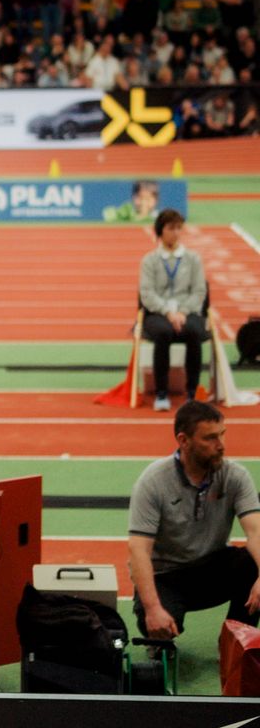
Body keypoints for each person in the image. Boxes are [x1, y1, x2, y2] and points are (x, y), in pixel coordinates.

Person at [127, 400, 260, 642]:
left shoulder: (235, 476)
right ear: (183, 440)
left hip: (211, 568)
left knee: (251, 563)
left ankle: (237, 643)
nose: (221, 446)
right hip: (166, 576)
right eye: (210, 438)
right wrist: (153, 608)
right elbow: (138, 549)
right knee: (159, 628)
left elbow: (255, 532)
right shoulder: (153, 482)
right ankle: (160, 638)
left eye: (222, 435)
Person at [139, 207, 208, 410]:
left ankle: (192, 392)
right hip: (158, 313)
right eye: (171, 228)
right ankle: (161, 393)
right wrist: (168, 313)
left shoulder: (193, 259)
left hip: (187, 312)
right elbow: (147, 294)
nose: (176, 232)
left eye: (179, 228)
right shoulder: (149, 260)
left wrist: (182, 312)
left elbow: (199, 291)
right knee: (163, 333)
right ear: (161, 231)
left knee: (194, 332)